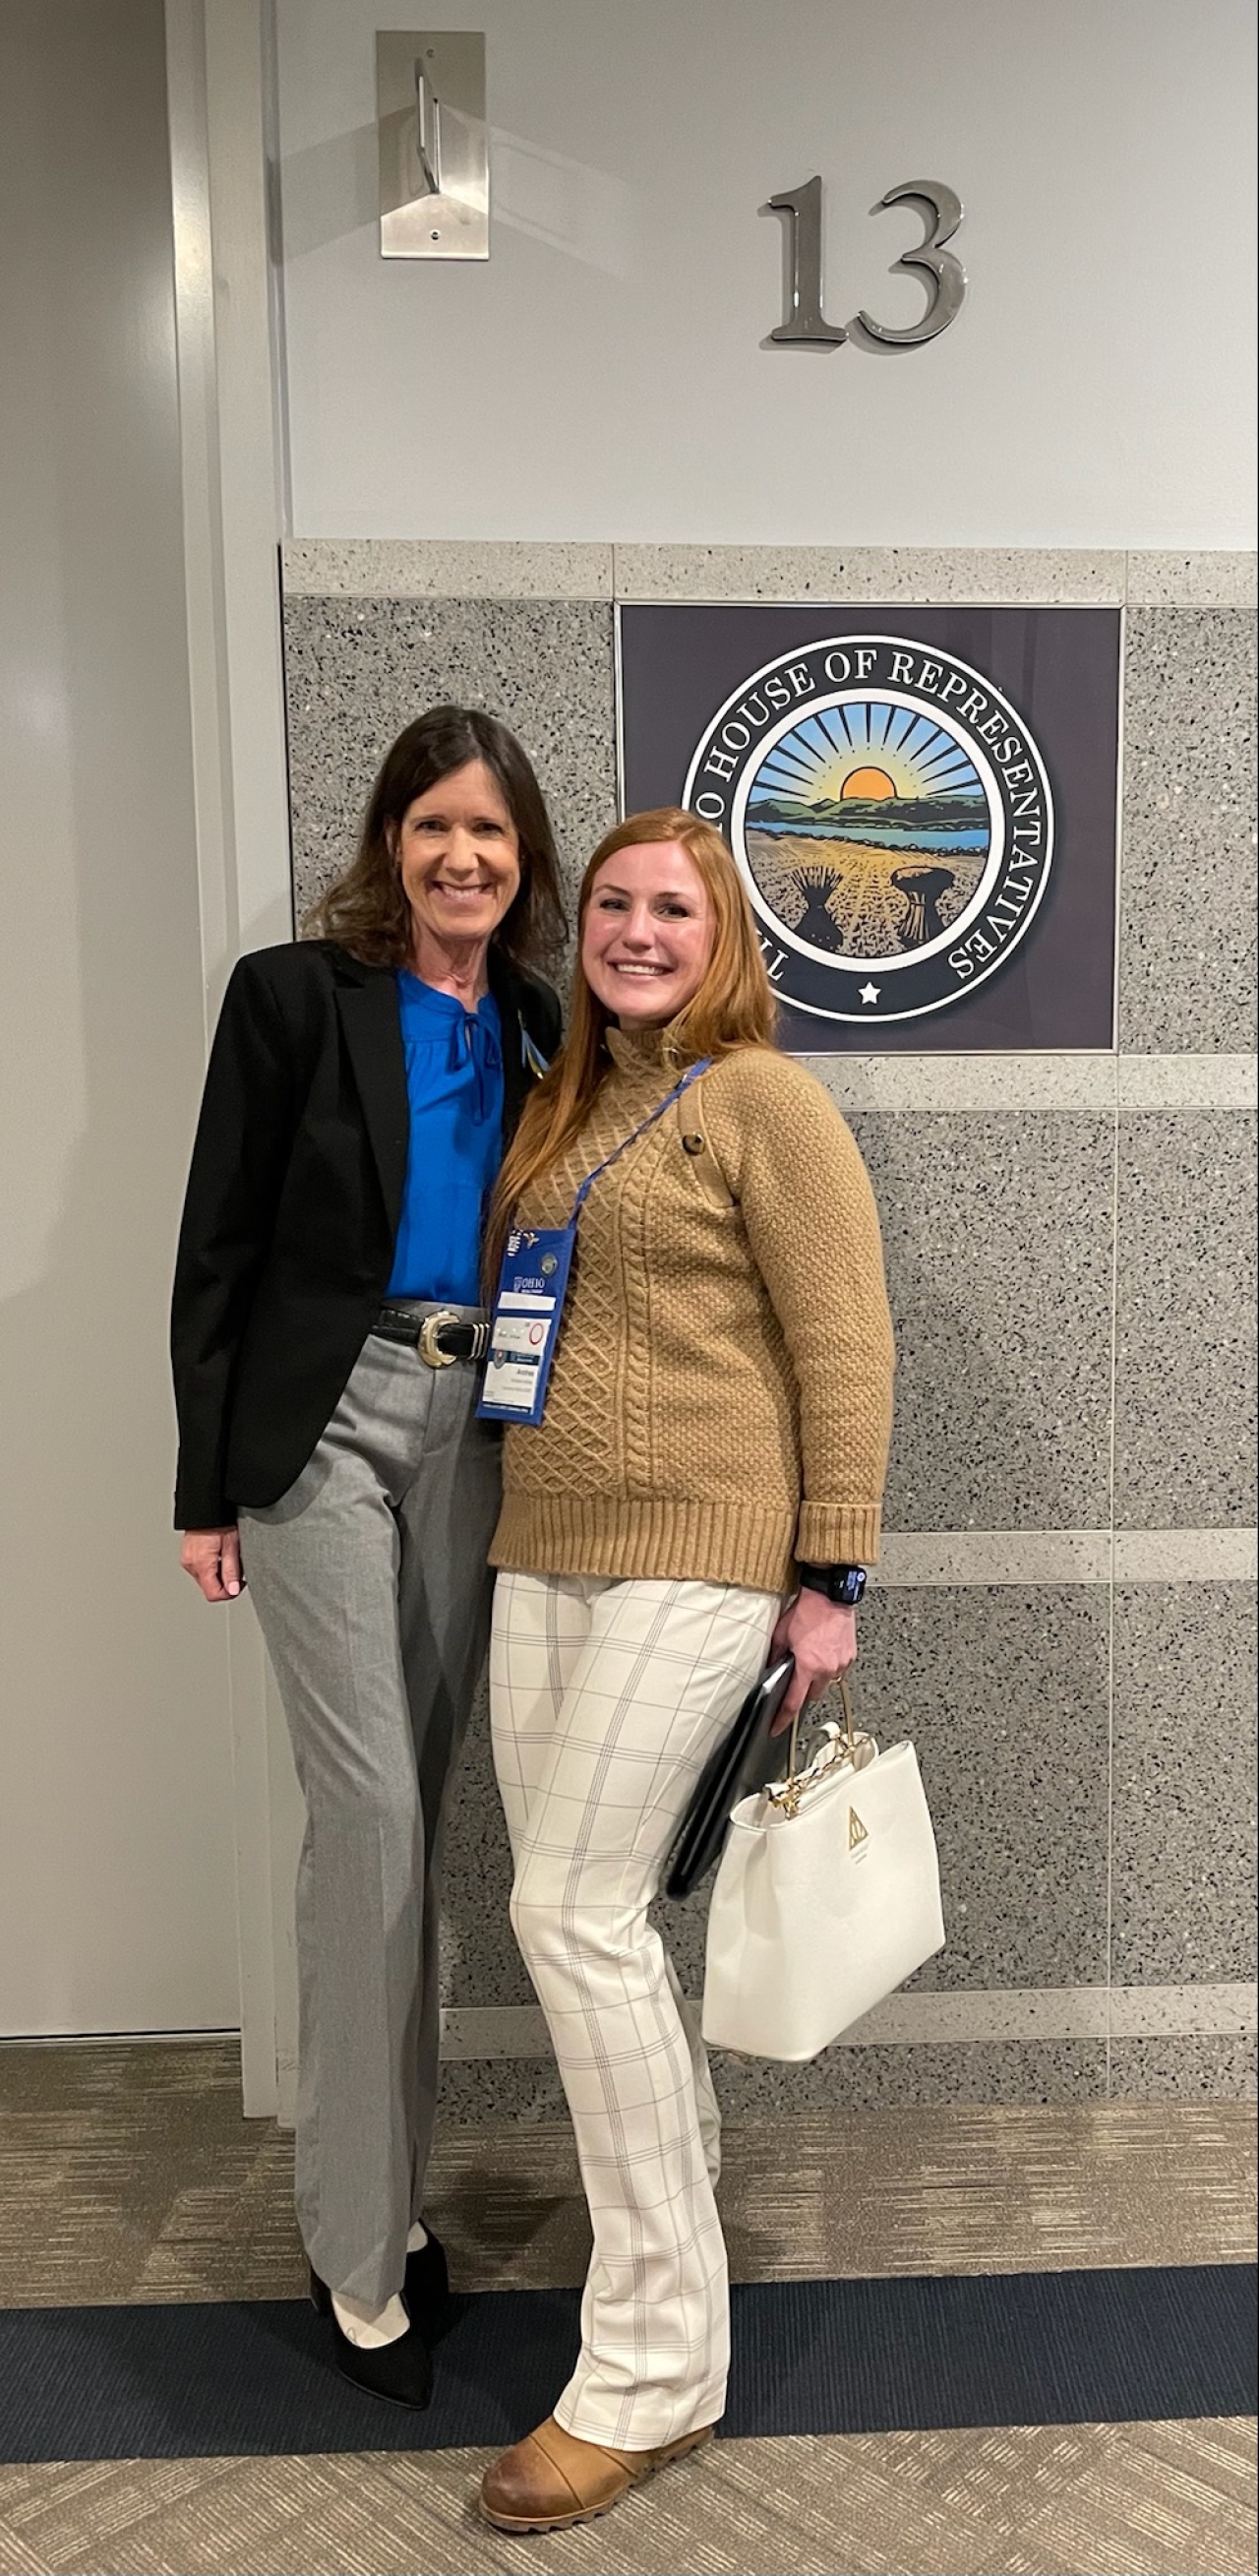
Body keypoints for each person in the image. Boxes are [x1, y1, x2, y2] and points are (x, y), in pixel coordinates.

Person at [476, 808, 895, 2533]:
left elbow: (843, 1334)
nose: (637, 931)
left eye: (674, 908)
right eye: (613, 906)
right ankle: (681, 2224)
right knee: (598, 1916)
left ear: (727, 937)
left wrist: (832, 1575)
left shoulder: (764, 1101)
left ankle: (653, 2366)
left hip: (704, 1547)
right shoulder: (565, 1099)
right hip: (543, 1546)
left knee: (567, 1914)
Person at [170, 706, 565, 2408]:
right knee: (373, 1822)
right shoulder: (290, 997)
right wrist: (204, 1485)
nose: (461, 857)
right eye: (432, 830)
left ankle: (391, 2201)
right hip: (323, 1422)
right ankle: (355, 2249)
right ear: (390, 846)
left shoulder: (548, 1024)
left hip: (480, 1431)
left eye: (489, 833)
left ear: (522, 857)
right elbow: (219, 1243)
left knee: (420, 1804)